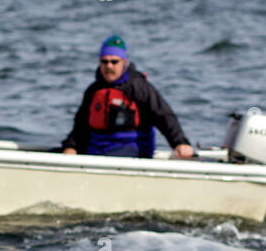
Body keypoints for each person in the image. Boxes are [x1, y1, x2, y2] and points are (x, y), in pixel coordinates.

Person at [61, 35, 194, 159]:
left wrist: (180, 143)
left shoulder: (139, 87)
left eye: (114, 62)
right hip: (97, 147)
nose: (109, 66)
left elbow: (163, 115)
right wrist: (70, 146)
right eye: (104, 61)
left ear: (124, 62)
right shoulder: (93, 90)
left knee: (109, 157)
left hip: (131, 147)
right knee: (57, 152)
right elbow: (80, 125)